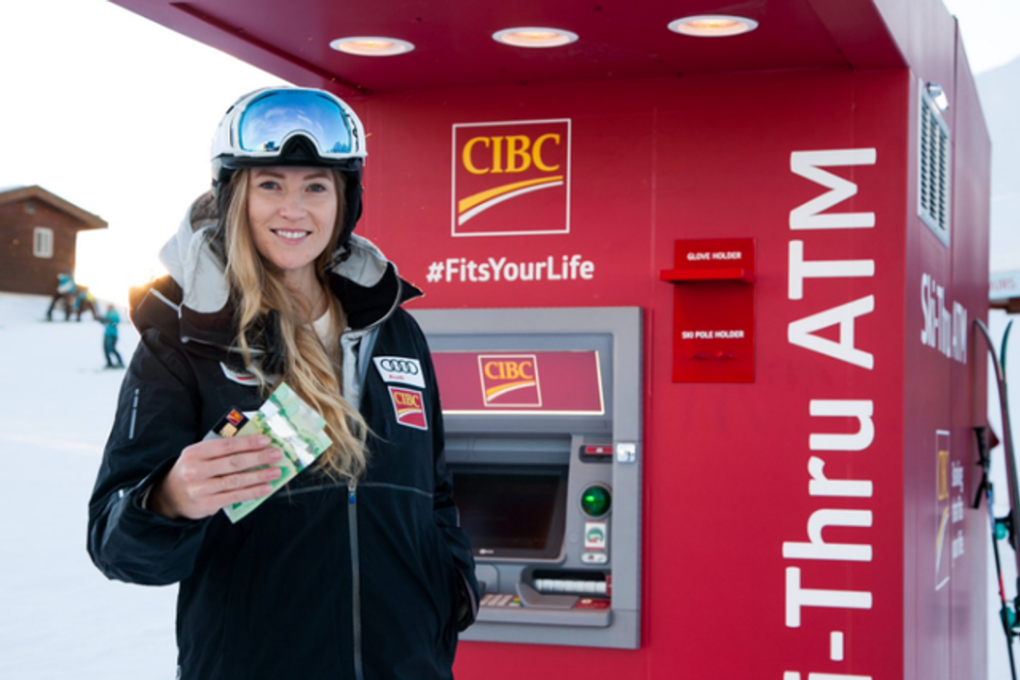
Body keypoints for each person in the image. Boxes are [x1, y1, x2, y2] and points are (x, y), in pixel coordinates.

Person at [87, 87, 479, 680]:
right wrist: (168, 499)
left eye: (315, 187)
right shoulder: (184, 335)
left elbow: (436, 492)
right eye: (271, 184)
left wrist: (452, 589)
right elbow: (114, 545)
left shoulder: (393, 328)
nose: (294, 210)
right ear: (235, 195)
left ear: (344, 201)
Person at [100, 303, 124, 368]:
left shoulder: (114, 313)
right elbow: (103, 321)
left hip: (113, 335)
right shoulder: (108, 313)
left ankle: (120, 362)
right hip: (107, 334)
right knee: (105, 349)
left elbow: (116, 322)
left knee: (112, 349)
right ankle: (109, 363)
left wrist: (110, 321)